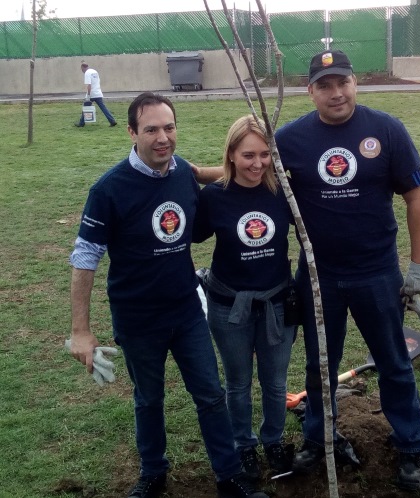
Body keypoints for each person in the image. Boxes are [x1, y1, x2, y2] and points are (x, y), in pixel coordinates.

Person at [68, 92, 268, 498]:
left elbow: (219, 178)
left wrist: (259, 173)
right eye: (151, 129)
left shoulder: (182, 174)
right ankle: (153, 473)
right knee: (149, 399)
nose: (163, 137)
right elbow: (85, 255)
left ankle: (229, 477)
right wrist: (81, 331)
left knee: (211, 395)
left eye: (169, 127)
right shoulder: (109, 189)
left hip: (186, 310)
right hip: (138, 316)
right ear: (131, 133)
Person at [273, 50, 420, 491]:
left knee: (393, 362)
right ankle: (318, 437)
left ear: (355, 83)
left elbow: (417, 196)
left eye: (342, 81)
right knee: (319, 366)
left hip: (377, 273)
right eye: (324, 85)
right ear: (310, 92)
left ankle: (411, 444)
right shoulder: (288, 140)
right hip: (319, 277)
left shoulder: (386, 130)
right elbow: (248, 175)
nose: (336, 92)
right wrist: (197, 174)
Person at [193, 115, 295, 481]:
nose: (257, 164)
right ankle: (244, 446)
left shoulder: (282, 191)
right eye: (248, 155)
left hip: (277, 304)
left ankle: (274, 440)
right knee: (237, 383)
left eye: (265, 155)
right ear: (232, 154)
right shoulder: (215, 197)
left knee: (276, 382)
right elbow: (191, 236)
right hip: (228, 306)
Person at [75, 61, 117, 127]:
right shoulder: (94, 71)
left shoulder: (87, 73)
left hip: (92, 94)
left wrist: (88, 96)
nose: (82, 71)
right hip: (98, 92)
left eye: (82, 69)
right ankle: (112, 121)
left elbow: (89, 86)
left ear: (83, 68)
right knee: (103, 108)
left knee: (86, 108)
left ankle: (81, 123)